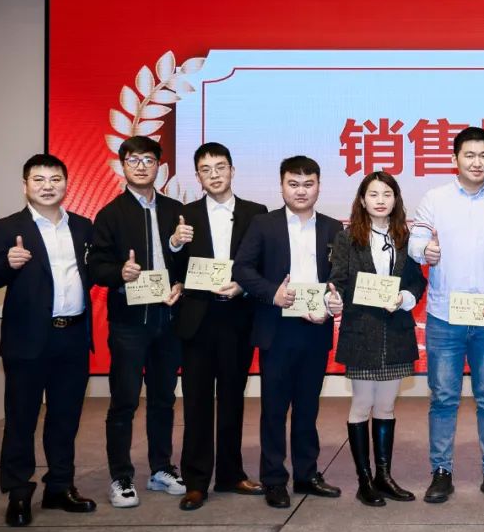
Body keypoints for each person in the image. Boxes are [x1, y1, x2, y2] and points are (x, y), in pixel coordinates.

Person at [0, 154, 96, 526]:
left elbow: (92, 273)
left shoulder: (83, 227)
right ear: (25, 185)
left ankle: (59, 486)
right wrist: (6, 263)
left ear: (66, 183)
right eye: (39, 179)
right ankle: (18, 493)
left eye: (55, 179)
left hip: (72, 337)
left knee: (65, 418)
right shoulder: (6, 227)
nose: (47, 186)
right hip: (27, 340)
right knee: (21, 419)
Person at [407, 126, 484, 503]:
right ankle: (441, 472)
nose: (477, 162)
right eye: (469, 155)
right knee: (444, 398)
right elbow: (415, 241)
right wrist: (425, 251)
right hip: (445, 318)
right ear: (454, 159)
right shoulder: (435, 199)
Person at [233, 156, 342, 509]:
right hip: (276, 328)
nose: (301, 191)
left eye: (308, 184)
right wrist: (272, 293)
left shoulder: (333, 228)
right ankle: (274, 479)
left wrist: (332, 304)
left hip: (315, 327)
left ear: (319, 187)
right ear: (282, 186)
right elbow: (242, 269)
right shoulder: (263, 224)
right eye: (293, 184)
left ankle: (307, 474)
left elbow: (342, 276)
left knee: (308, 408)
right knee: (274, 409)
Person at [88, 135, 185, 508]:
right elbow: (96, 267)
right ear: (122, 166)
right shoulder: (110, 214)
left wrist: (180, 282)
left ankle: (161, 468)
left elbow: (191, 263)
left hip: (168, 320)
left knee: (163, 399)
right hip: (129, 324)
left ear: (160, 165)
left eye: (148, 159)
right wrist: (120, 272)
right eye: (133, 160)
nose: (141, 166)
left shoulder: (177, 211)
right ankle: (121, 476)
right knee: (124, 401)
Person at [170, 142, 268, 511]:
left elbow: (262, 263)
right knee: (196, 402)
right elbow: (172, 266)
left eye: (220, 167)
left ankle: (230, 473)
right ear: (197, 176)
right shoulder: (184, 215)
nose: (214, 175)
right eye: (205, 169)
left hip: (238, 318)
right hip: (197, 318)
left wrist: (244, 285)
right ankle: (196, 481)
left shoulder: (256, 214)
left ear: (232, 170)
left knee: (232, 399)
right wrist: (174, 244)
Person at [327, 171, 427, 507]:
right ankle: (364, 480)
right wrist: (332, 298)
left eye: (387, 194)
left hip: (396, 331)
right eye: (373, 194)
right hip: (361, 330)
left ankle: (384, 477)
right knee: (361, 404)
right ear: (362, 199)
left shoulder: (405, 237)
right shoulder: (347, 238)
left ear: (396, 199)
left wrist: (405, 298)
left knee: (386, 406)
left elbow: (417, 281)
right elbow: (338, 280)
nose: (380, 200)